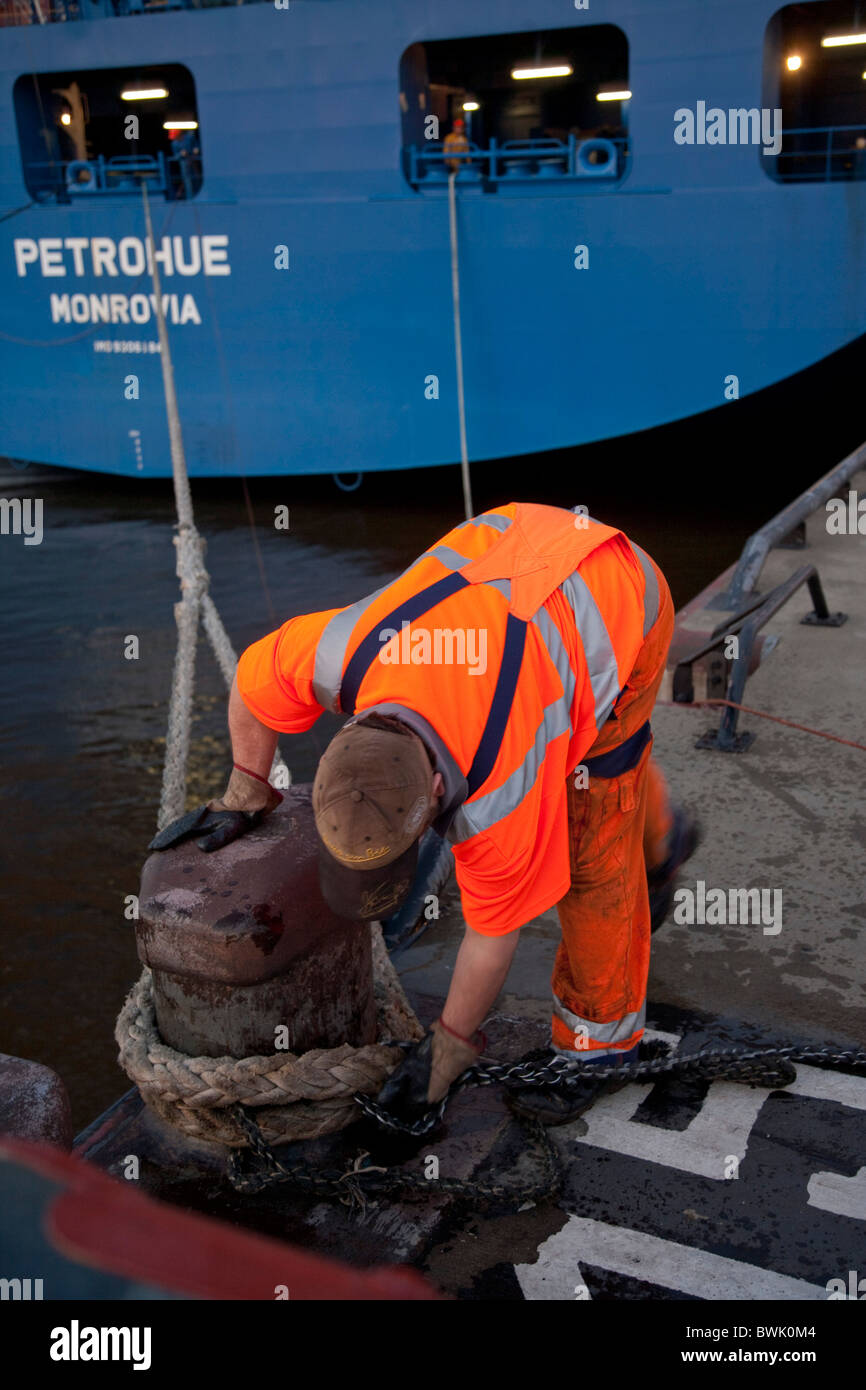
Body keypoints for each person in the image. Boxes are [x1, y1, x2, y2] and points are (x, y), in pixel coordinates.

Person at [153, 503, 698, 1126]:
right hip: (511, 545)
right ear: (347, 723)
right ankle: (667, 832)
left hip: (618, 590)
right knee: (590, 750)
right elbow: (254, 686)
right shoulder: (337, 654)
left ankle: (600, 1048)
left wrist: (445, 1054)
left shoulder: (504, 786)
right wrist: (245, 792)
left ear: (438, 787)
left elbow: (492, 938)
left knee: (595, 827)